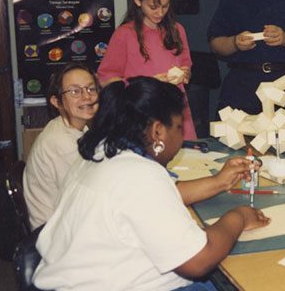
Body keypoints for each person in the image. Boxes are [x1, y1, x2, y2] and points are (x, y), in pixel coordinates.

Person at [32, 76, 270, 291]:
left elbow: (157, 197)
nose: (181, 136)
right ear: (157, 132)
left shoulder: (103, 150)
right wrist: (237, 217)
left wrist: (220, 181)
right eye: (178, 127)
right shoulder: (139, 175)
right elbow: (198, 262)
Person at [97, 0, 197, 140]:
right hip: (141, 112)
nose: (160, 13)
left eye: (165, 6)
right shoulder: (124, 34)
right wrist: (146, 84)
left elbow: (186, 63)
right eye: (153, 7)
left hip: (174, 110)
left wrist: (185, 72)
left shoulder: (176, 30)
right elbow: (106, 78)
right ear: (137, 0)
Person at [23, 62, 99, 230]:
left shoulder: (72, 126)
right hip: (56, 235)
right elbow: (83, 200)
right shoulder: (60, 143)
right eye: (75, 91)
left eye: (91, 89)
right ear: (57, 102)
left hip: (68, 222)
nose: (86, 97)